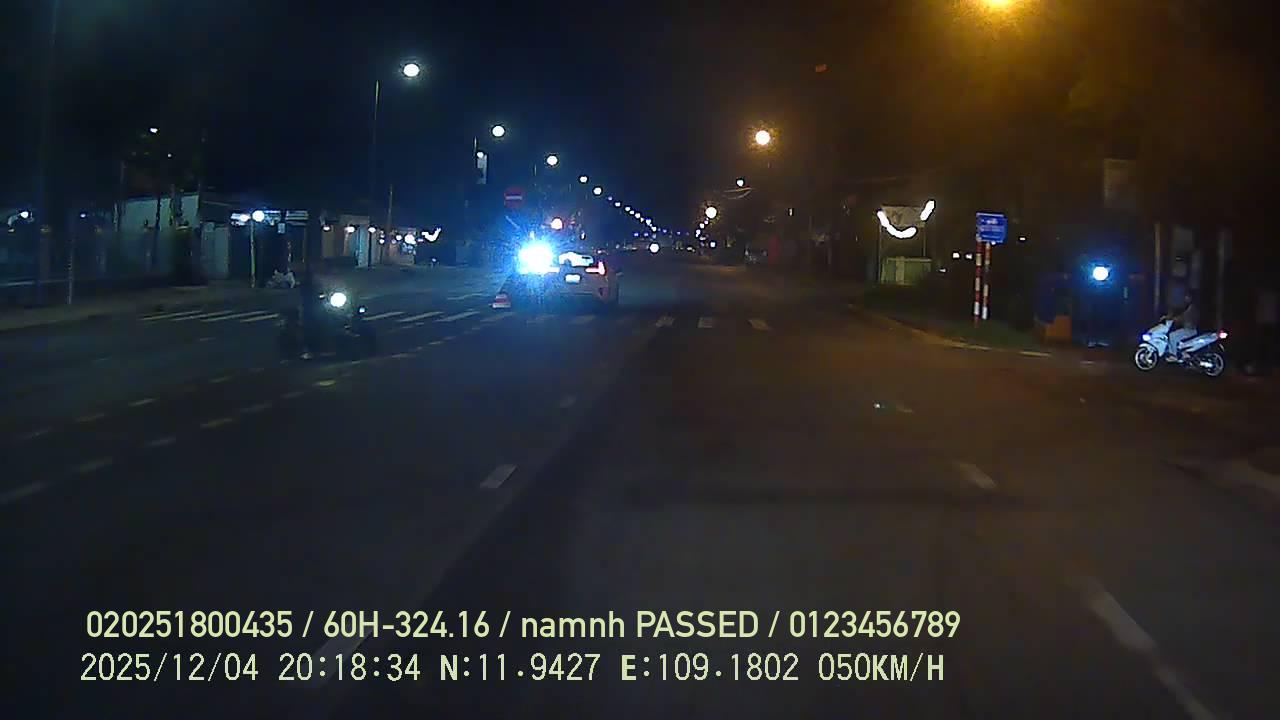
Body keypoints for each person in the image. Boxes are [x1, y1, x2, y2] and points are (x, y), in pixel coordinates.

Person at [1166, 291, 1199, 361]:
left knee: (1172, 336)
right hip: (1189, 329)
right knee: (1176, 335)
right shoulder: (1190, 307)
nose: (1185, 298)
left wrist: (1174, 319)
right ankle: (1183, 353)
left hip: (1189, 330)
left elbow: (1183, 317)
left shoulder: (1191, 308)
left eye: (1187, 297)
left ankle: (1173, 355)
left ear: (1190, 298)